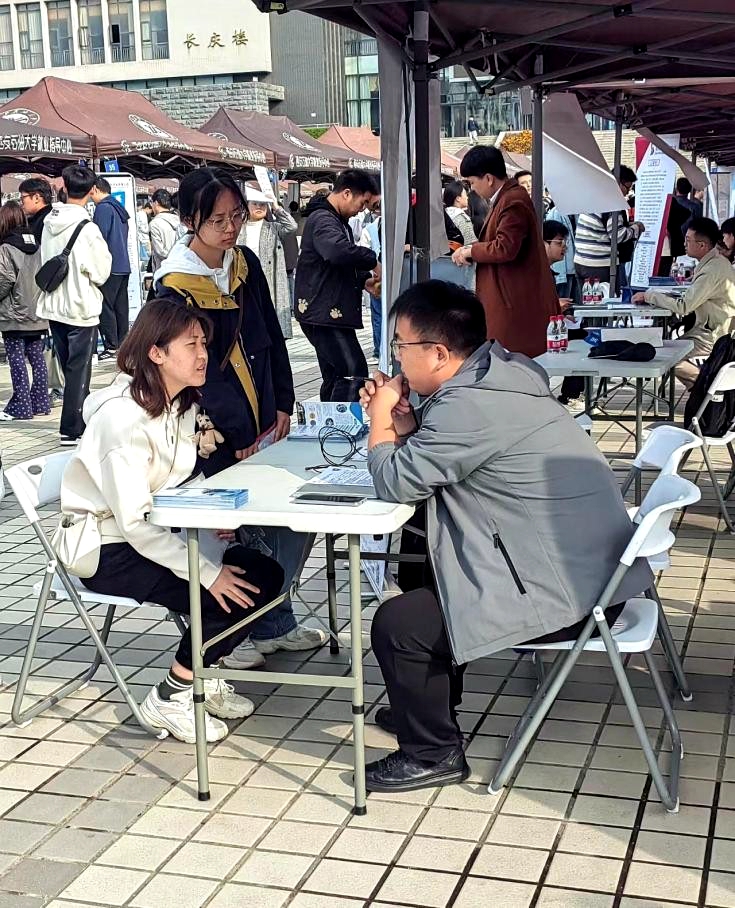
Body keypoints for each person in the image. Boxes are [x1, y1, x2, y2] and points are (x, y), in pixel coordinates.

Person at [358, 280, 652, 792]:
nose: (396, 358)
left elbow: (395, 481)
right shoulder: (500, 373)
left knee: (399, 624)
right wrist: (405, 425)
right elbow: (448, 453)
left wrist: (381, 418)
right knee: (424, 562)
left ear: (439, 353)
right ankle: (425, 710)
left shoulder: (470, 405)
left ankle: (433, 753)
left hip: (569, 596)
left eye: (401, 345)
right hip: (589, 571)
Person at [60, 297, 284, 743]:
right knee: (225, 593)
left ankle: (204, 672)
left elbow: (181, 479)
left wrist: (214, 513)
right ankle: (172, 693)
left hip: (156, 533)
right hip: (107, 548)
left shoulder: (180, 403)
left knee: (264, 575)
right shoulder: (122, 419)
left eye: (204, 343)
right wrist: (207, 572)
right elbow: (132, 523)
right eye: (191, 344)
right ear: (156, 352)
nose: (203, 355)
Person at [154, 167, 326, 669]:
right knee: (239, 531)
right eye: (217, 220)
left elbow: (271, 335)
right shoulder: (174, 289)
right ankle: (236, 631)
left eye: (237, 216)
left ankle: (275, 622)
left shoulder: (245, 263)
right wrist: (238, 433)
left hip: (265, 415)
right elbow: (195, 372)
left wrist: (283, 403)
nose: (230, 229)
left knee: (290, 521)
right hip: (213, 430)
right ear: (190, 220)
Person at [451, 145, 559, 358]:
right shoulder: (506, 198)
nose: (472, 189)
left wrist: (471, 251)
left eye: (472, 182)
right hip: (509, 298)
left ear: (488, 178)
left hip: (513, 303)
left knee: (509, 362)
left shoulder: (513, 200)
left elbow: (505, 247)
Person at [37, 165, 112, 446]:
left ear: (64, 188)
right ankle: (71, 428)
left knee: (70, 365)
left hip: (54, 304)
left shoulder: (49, 223)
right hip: (81, 306)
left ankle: (82, 418)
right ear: (92, 191)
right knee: (78, 369)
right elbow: (101, 271)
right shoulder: (88, 229)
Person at [294, 168, 381, 401]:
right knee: (353, 371)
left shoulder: (335, 220)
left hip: (325, 310)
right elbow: (336, 251)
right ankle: (342, 422)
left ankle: (329, 420)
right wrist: (372, 260)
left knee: (335, 373)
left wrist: (363, 280)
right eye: (363, 202)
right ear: (347, 193)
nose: (362, 209)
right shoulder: (323, 219)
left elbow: (336, 264)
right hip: (323, 311)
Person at [633, 217, 735, 390]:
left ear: (702, 245)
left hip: (714, 336)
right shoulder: (714, 263)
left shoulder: (712, 269)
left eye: (688, 240)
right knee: (665, 352)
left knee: (665, 357)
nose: (684, 244)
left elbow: (684, 306)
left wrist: (650, 296)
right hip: (712, 330)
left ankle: (708, 387)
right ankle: (702, 394)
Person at [0, 201, 49, 421]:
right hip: (36, 312)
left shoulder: (6, 248)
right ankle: (40, 402)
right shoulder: (37, 245)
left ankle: (21, 405)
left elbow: (4, 279)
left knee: (17, 360)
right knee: (37, 358)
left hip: (13, 314)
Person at [237, 187, 297, 339]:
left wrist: (276, 207)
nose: (259, 207)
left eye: (263, 204)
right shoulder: (238, 228)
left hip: (269, 281)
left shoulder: (273, 228)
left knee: (270, 321)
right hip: (244, 280)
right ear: (246, 206)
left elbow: (292, 226)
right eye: (255, 204)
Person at [574, 165, 645, 287]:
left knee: (588, 298)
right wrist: (636, 228)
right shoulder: (612, 202)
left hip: (582, 261)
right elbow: (617, 235)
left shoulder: (595, 196)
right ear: (619, 183)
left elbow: (603, 226)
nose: (628, 192)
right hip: (599, 264)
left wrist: (628, 225)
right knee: (604, 297)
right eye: (628, 187)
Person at [543, 220, 584, 410]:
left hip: (552, 324)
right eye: (559, 243)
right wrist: (554, 307)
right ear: (543, 244)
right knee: (582, 340)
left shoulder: (547, 272)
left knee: (585, 335)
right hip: (538, 332)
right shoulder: (536, 274)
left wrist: (560, 314)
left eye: (565, 243)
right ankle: (571, 394)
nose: (564, 248)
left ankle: (572, 392)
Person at [91, 177, 131, 360]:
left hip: (109, 265)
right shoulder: (118, 207)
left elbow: (99, 238)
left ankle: (111, 346)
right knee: (121, 307)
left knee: (105, 306)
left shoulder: (103, 208)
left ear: (95, 189)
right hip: (123, 264)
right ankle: (123, 344)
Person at [360, 200, 383, 359]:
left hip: (376, 278)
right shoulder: (370, 229)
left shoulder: (369, 229)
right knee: (380, 314)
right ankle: (380, 350)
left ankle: (379, 351)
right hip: (378, 277)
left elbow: (363, 253)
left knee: (378, 316)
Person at [148, 189, 181, 273]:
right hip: (181, 267)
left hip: (163, 270)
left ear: (156, 203)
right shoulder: (179, 220)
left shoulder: (155, 223)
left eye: (152, 203)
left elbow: (159, 251)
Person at [442, 180, 477, 246]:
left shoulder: (443, 214)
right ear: (458, 198)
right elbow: (471, 243)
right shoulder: (462, 218)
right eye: (465, 194)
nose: (467, 197)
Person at [19, 177, 53, 242]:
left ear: (36, 198)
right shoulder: (51, 215)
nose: (21, 202)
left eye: (23, 198)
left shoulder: (45, 222)